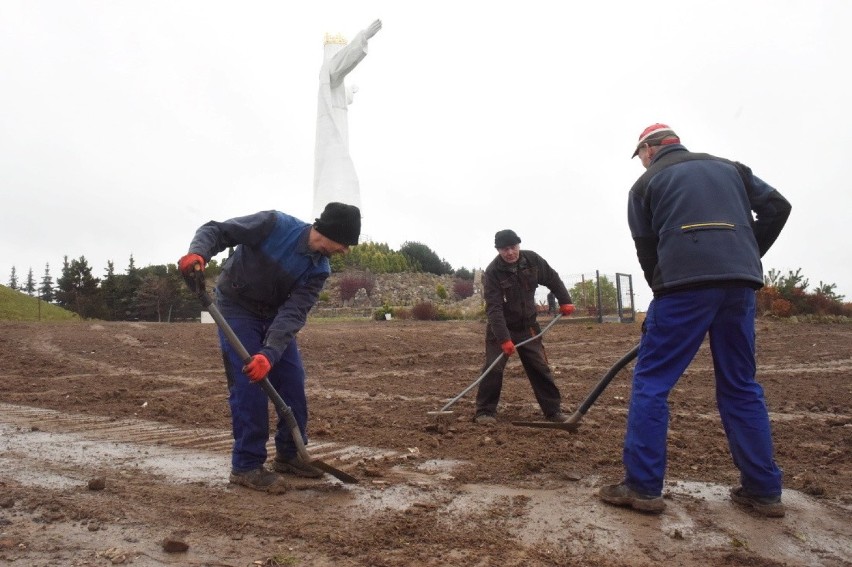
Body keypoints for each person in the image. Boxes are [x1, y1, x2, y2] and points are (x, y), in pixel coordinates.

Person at [598, 124, 792, 516]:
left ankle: (643, 486)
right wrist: (745, 252)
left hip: (683, 287)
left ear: (649, 149)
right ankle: (763, 490)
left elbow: (647, 250)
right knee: (740, 384)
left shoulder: (645, 185)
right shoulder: (730, 168)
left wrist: (662, 294)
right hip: (739, 284)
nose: (641, 163)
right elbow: (778, 206)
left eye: (640, 157)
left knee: (652, 383)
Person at [178, 203, 361, 492]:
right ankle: (246, 465)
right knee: (249, 385)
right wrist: (198, 253)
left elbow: (293, 313)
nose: (345, 251)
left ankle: (289, 455)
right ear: (330, 232)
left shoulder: (319, 269)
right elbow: (217, 230)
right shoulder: (274, 225)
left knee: (292, 383)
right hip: (236, 307)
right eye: (345, 244)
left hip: (274, 315)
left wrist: (269, 353)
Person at [474, 229, 575, 424]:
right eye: (504, 249)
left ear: (518, 245)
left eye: (513, 247)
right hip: (501, 328)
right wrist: (504, 339)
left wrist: (565, 300)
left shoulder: (532, 261)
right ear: (498, 250)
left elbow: (552, 278)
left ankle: (553, 411)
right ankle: (485, 412)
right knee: (493, 368)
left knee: (540, 367)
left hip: (528, 326)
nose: (510, 252)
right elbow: (494, 309)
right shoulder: (493, 272)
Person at [312, 19, 382, 219]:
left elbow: (340, 87)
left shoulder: (331, 78)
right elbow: (342, 63)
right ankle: (331, 214)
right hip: (333, 129)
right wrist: (363, 37)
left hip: (338, 122)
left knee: (338, 171)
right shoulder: (329, 67)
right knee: (335, 170)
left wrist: (350, 93)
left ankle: (336, 212)